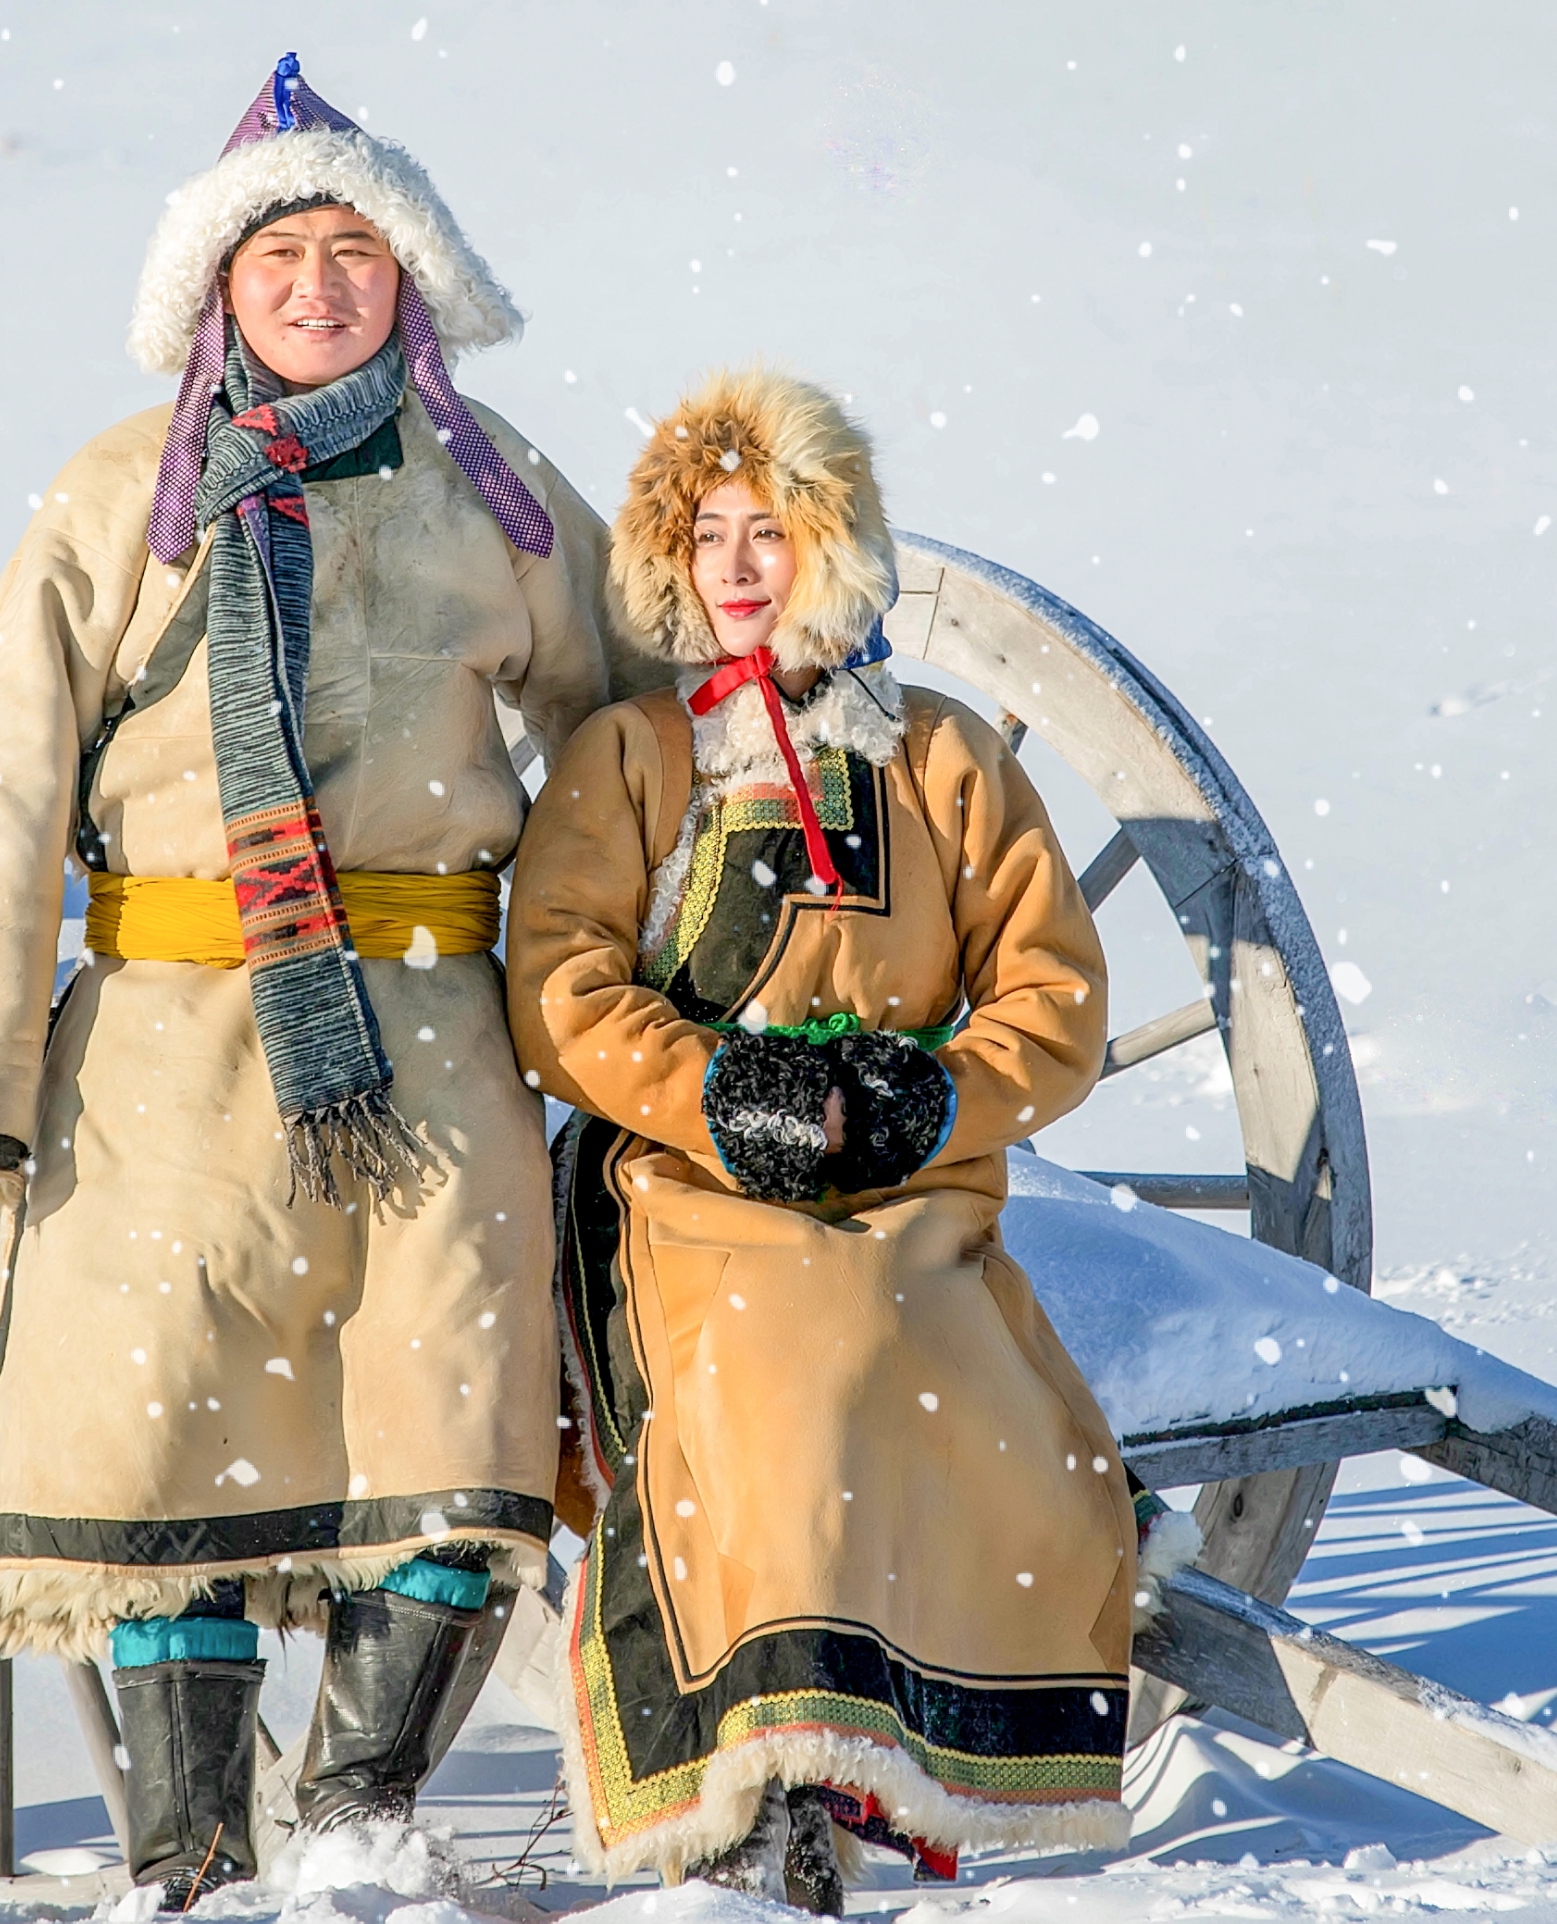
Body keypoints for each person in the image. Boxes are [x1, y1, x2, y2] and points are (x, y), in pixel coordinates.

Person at [0, 56, 623, 1907]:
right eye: (280, 252)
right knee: (164, 1474)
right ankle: (193, 1868)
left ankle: (359, 1831)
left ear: (414, 276)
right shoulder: (115, 500)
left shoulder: (499, 495)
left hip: (433, 1031)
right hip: (160, 1050)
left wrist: (635, 997)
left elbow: (627, 746)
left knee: (454, 1442)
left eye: (354, 249)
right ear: (217, 288)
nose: (319, 286)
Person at [503, 367, 1197, 1910]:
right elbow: (559, 991)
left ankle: (898, 1750)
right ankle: (768, 1771)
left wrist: (938, 1094)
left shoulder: (942, 756)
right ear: (668, 567)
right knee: (779, 1347)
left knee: (900, 1325)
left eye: (773, 532)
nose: (740, 566)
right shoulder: (631, 758)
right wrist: (711, 1095)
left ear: (837, 551)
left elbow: (1055, 998)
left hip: (915, 1191)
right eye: (709, 538)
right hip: (687, 1193)